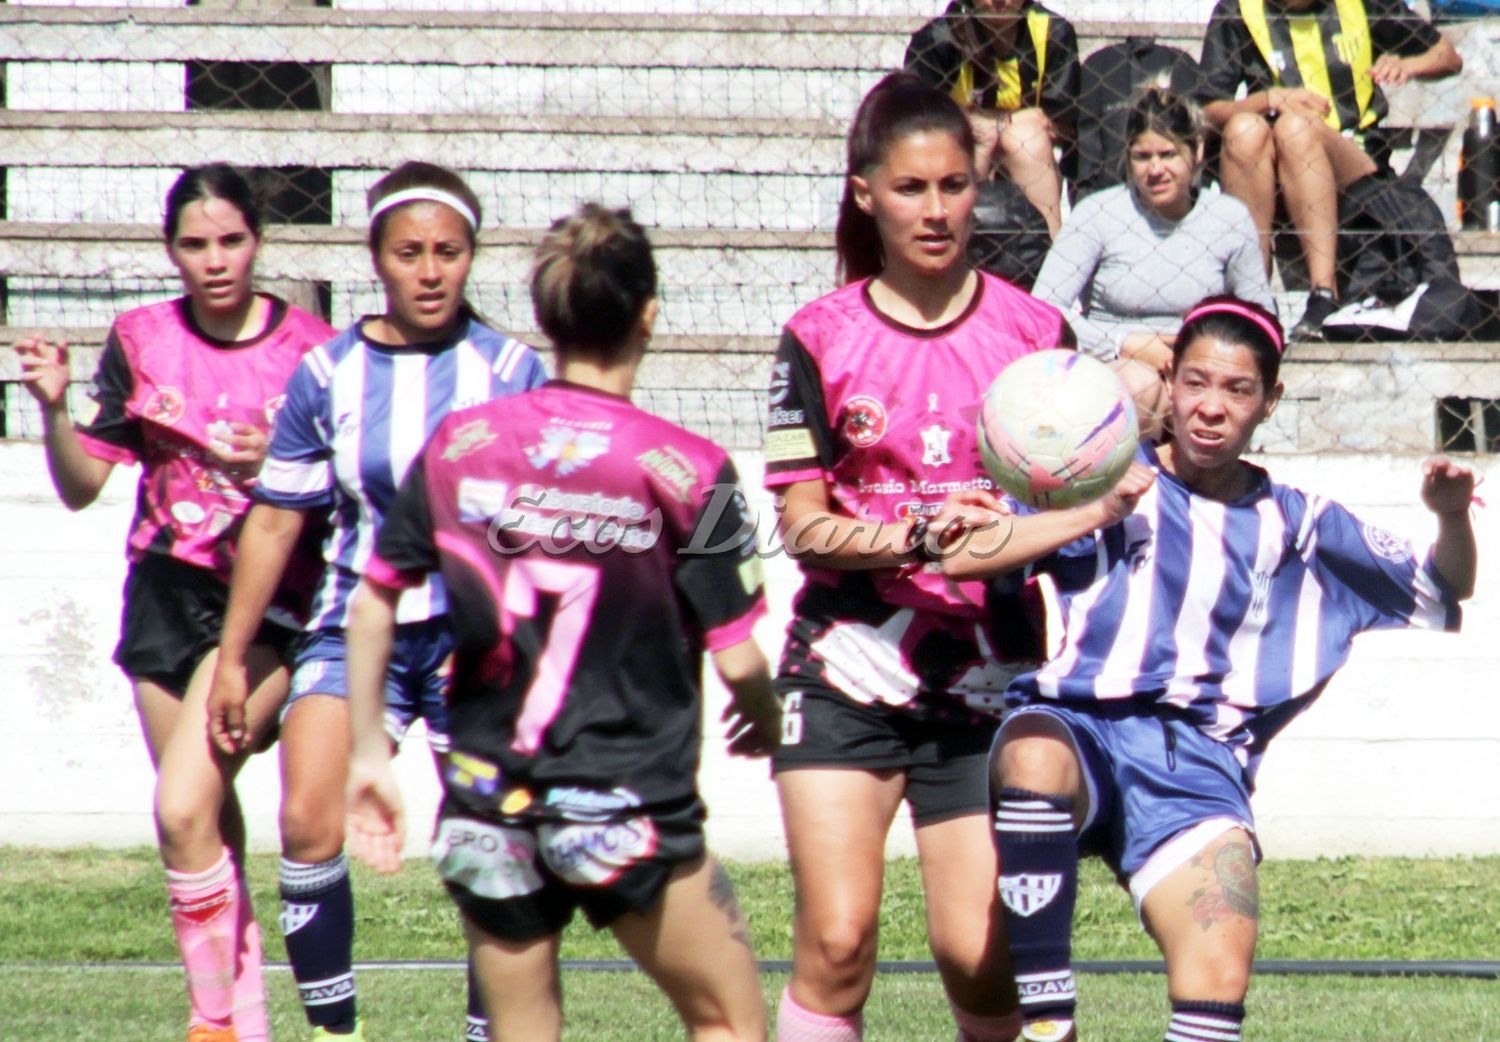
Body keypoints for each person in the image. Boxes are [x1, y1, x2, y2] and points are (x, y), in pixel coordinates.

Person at [928, 296, 1477, 1042]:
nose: (1210, 408)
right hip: (1081, 728)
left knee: (1219, 972)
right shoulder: (1101, 474)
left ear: (1269, 402)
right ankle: (1051, 1025)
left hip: (1198, 763)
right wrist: (1097, 511)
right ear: (1172, 384)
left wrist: (1450, 516)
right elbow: (961, 556)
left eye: (1236, 389)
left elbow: (1444, 586)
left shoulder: (1304, 524)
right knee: (1030, 756)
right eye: (1195, 383)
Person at [341, 202, 780, 1042]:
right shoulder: (696, 469)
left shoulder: (461, 443)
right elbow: (737, 657)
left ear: (545, 318)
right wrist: (766, 721)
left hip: (487, 804)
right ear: (649, 312)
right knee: (727, 1020)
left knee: (522, 1028)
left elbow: (372, 601)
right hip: (626, 805)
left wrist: (369, 753)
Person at [207, 161, 546, 1042]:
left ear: (472, 258)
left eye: (448, 252)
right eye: (410, 253)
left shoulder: (512, 370)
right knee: (307, 817)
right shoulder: (328, 373)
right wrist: (236, 661)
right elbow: (278, 522)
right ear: (377, 259)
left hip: (481, 641)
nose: (430, 271)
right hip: (357, 629)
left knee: (491, 849)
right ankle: (335, 1033)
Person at [764, 72, 1071, 1042]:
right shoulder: (819, 338)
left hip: (990, 680)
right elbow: (804, 523)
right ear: (865, 192)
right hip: (846, 666)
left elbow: (1071, 508)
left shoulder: (1035, 334)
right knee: (839, 939)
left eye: (953, 186)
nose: (935, 209)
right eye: (910, 188)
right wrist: (918, 536)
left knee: (983, 962)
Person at [15, 164, 337, 1042]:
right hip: (164, 593)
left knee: (181, 807)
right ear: (171, 250)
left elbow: (350, 488)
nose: (215, 260)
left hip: (270, 600)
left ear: (258, 242)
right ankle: (248, 1021)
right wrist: (52, 412)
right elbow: (84, 486)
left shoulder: (312, 346)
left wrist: (282, 462)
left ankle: (211, 1025)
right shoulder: (142, 335)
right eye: (194, 244)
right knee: (208, 830)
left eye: (231, 240)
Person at [1196, 0, 1463, 339]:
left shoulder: (1363, 4)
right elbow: (1206, 110)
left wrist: (1408, 65)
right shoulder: (1237, 9)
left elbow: (1449, 57)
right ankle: (1254, 298)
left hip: (1354, 169)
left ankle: (1324, 293)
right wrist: (1270, 99)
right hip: (1268, 174)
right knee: (1243, 130)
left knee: (1296, 127)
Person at [1033, 89, 1274, 371]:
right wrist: (1121, 343)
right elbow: (1043, 310)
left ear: (1196, 150)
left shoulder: (1229, 218)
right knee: (1141, 384)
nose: (1155, 169)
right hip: (1113, 364)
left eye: (1168, 154)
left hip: (1199, 366)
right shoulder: (1097, 213)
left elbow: (1260, 315)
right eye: (1142, 156)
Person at [905, 0, 1080, 237]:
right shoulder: (938, 39)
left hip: (1026, 145)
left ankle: (1046, 252)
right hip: (963, 146)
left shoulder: (1052, 30)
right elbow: (915, 119)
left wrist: (996, 124)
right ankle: (960, 245)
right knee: (974, 140)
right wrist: (983, 125)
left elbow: (1062, 122)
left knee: (1027, 140)